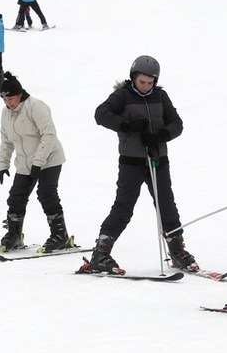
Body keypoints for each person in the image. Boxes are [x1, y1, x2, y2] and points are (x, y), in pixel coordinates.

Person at [85, 55, 198, 274]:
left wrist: (162, 135)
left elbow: (177, 123)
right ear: (133, 77)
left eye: (150, 82)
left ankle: (177, 251)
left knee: (167, 205)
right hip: (131, 162)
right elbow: (101, 114)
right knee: (124, 207)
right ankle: (101, 253)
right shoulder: (122, 96)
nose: (146, 86)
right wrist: (126, 125)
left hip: (158, 161)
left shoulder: (161, 97)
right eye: (142, 82)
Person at [0, 71, 71, 253]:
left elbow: (49, 135)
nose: (8, 103)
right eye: (4, 100)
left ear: (20, 95)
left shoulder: (36, 107)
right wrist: (3, 164)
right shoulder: (6, 114)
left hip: (49, 158)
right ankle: (14, 234)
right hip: (25, 162)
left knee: (46, 193)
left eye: (11, 99)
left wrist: (39, 161)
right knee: (16, 197)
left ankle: (60, 235)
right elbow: (6, 141)